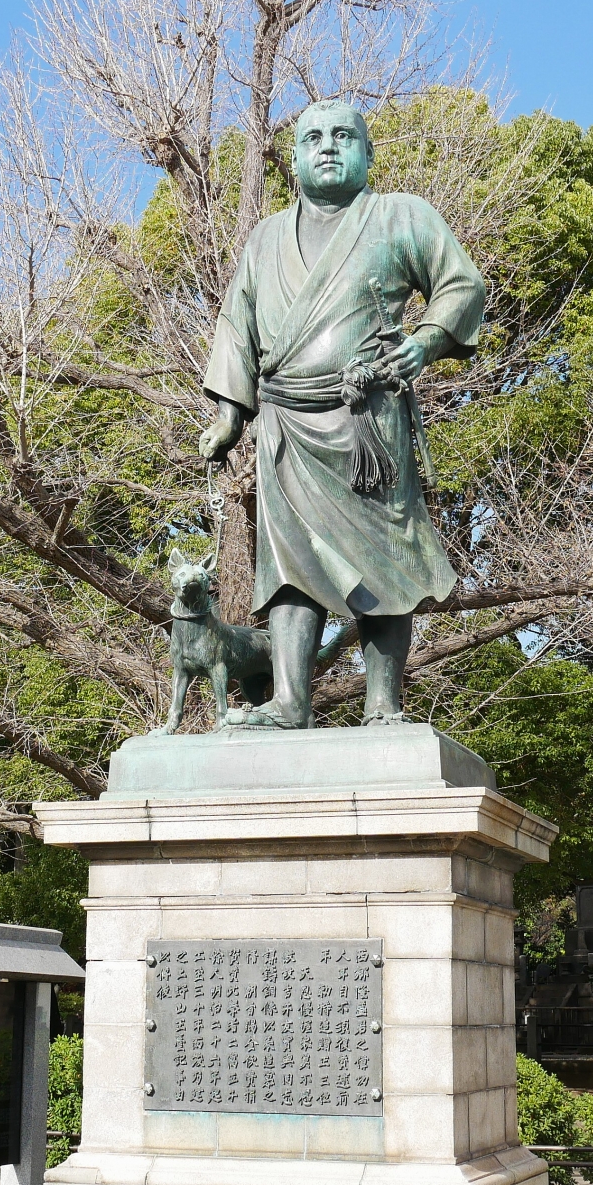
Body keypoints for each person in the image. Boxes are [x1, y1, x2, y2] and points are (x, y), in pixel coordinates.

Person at [197, 99, 486, 728]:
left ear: (368, 152)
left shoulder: (401, 216)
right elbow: (236, 323)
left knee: (385, 556)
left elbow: (463, 284)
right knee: (288, 561)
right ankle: (289, 701)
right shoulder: (266, 237)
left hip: (366, 421)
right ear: (296, 158)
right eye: (313, 138)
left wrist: (426, 341)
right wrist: (228, 412)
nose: (327, 146)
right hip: (286, 421)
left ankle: (383, 703)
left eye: (343, 136)